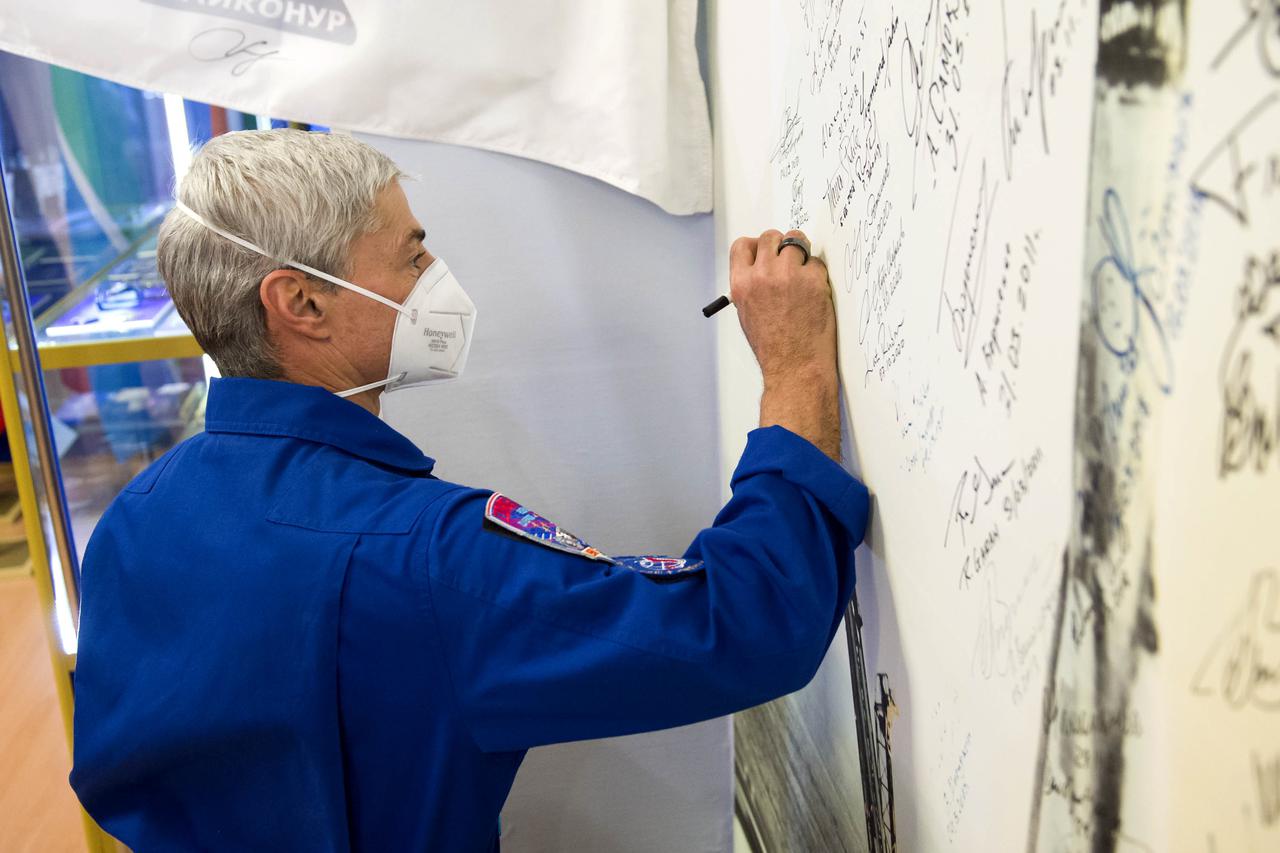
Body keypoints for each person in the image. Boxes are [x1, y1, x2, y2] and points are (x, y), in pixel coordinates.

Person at [69, 129, 869, 852]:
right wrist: (795, 372)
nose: (435, 279)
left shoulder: (138, 519)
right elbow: (741, 625)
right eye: (413, 256)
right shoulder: (423, 557)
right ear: (301, 302)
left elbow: (120, 774)